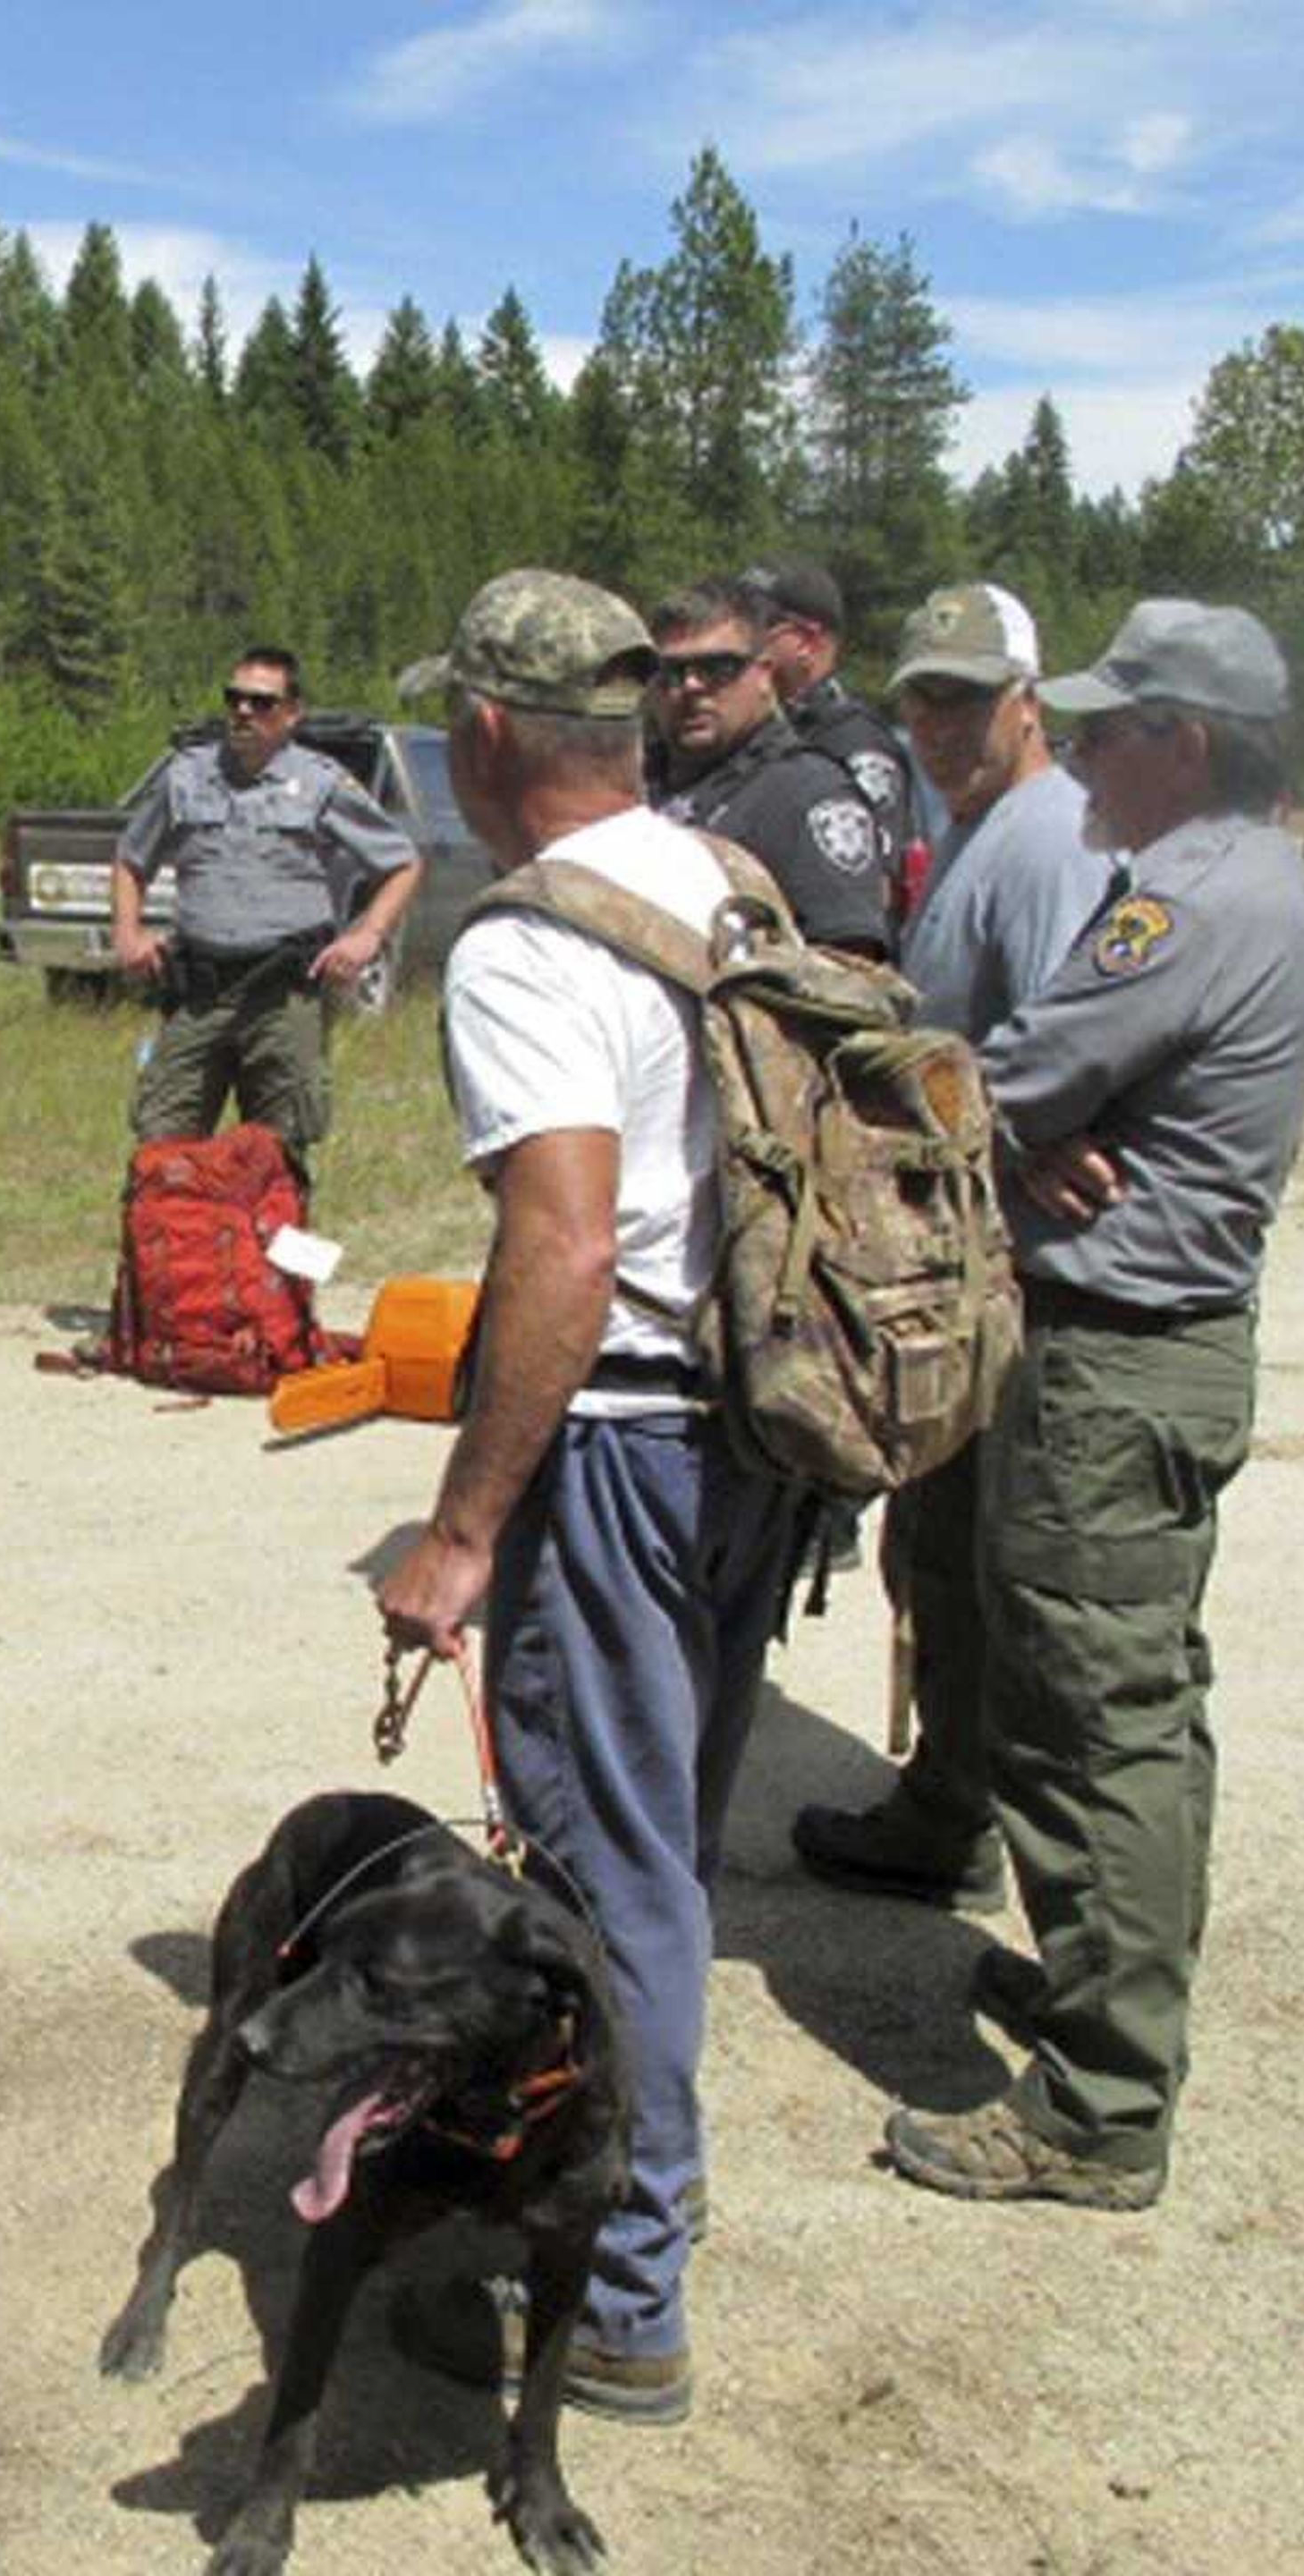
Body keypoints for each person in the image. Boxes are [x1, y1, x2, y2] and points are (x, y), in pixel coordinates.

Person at [377, 571, 806, 2422]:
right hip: (755, 1438)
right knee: (665, 1853)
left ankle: (619, 2293)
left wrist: (465, 1528)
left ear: (483, 735)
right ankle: (589, 2201)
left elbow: (560, 1251)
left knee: (607, 1875)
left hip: (626, 1447)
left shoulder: (528, 940)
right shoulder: (727, 881)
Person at [884, 600, 1304, 2211]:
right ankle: (1108, 2010)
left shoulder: (1189, 907)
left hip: (1116, 1351)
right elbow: (1028, 1095)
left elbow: (979, 1084)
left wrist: (988, 1116)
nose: (1075, 755)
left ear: (1187, 745)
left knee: (1092, 1725)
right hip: (1155, 1349)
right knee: (1138, 1706)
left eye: (1105, 730)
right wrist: (1019, 1124)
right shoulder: (1235, 883)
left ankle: (1099, 2105)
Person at [794, 582, 1114, 1911]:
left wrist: (1028, 1133)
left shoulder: (1047, 842)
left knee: (987, 1564)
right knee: (936, 1548)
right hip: (962, 1261)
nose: (936, 723)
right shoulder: (978, 825)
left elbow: (1076, 1033)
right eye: (920, 695)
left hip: (1015, 1273)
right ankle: (944, 1800)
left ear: (1028, 700)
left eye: (966, 699)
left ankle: (970, 1819)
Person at [112, 645, 421, 1183]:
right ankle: (176, 1263)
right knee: (161, 1148)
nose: (244, 713)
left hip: (283, 997)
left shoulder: (321, 783)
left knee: (278, 1153)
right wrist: (128, 931)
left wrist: (367, 935)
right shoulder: (185, 777)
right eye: (235, 699)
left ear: (292, 712)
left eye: (262, 702)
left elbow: (401, 863)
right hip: (198, 993)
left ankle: (270, 1267)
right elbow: (130, 859)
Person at [646, 580, 894, 959]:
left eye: (717, 668)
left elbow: (851, 978)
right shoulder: (630, 781)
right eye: (671, 671)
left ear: (764, 674)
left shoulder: (806, 796)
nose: (692, 686)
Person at [736, 558, 919, 861]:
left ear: (808, 642)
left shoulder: (854, 741)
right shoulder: (746, 729)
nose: (737, 637)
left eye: (755, 623)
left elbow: (872, 882)